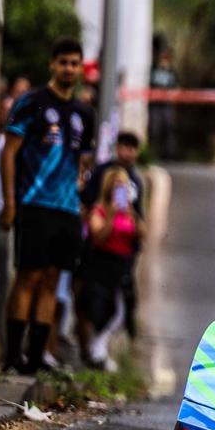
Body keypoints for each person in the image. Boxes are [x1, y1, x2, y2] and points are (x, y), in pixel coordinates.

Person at [0, 38, 95, 374]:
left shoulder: (85, 113)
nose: (69, 68)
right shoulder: (31, 102)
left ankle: (36, 357)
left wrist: (83, 199)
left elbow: (84, 163)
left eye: (74, 63)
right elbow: (9, 152)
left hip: (67, 210)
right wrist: (9, 201)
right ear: (52, 65)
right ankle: (12, 357)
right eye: (63, 62)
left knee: (53, 281)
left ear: (80, 68)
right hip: (33, 203)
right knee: (28, 277)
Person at [81, 130, 145, 338]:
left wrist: (130, 213)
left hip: (124, 253)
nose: (128, 153)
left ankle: (111, 341)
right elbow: (88, 204)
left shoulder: (135, 181)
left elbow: (141, 223)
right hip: (100, 252)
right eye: (125, 147)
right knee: (93, 301)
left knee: (121, 302)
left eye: (133, 148)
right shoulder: (102, 172)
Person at [75, 167, 140, 369]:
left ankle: (99, 349)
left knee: (119, 310)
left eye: (124, 186)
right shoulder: (100, 210)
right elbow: (98, 236)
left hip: (121, 265)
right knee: (96, 307)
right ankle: (93, 352)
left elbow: (140, 232)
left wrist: (131, 212)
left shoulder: (128, 211)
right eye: (116, 186)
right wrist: (111, 215)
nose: (120, 190)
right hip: (101, 263)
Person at [149, 48, 179, 159]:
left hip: (167, 106)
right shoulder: (153, 71)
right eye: (162, 58)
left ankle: (170, 154)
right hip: (155, 106)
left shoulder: (172, 72)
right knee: (154, 130)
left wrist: (171, 95)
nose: (164, 61)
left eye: (166, 59)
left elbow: (177, 88)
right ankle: (152, 154)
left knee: (169, 129)